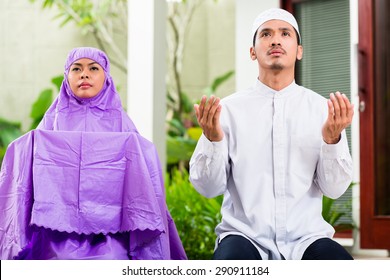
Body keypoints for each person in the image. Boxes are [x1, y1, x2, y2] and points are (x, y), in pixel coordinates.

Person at [189, 8, 354, 260]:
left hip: (307, 238)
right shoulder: (228, 111)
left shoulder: (322, 110)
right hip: (244, 237)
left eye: (285, 33)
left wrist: (332, 140)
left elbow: (334, 189)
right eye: (266, 34)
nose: (275, 40)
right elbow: (209, 188)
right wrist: (213, 139)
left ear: (299, 50)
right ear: (252, 51)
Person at [0, 47, 187, 260]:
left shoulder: (120, 122)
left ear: (105, 77)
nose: (84, 74)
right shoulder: (52, 120)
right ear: (66, 76)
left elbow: (141, 167)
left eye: (93, 68)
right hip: (55, 231)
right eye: (76, 68)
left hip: (112, 234)